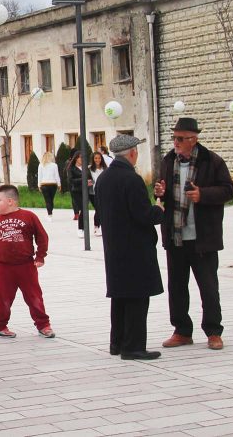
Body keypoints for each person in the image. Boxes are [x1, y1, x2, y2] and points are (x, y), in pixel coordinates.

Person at [154, 118, 233, 351]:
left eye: (181, 138)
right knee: (177, 288)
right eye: (174, 138)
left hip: (203, 238)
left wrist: (203, 195)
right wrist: (159, 192)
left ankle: (213, 331)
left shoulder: (212, 161)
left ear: (194, 139)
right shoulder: (168, 161)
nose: (176, 142)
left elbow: (229, 190)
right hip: (175, 236)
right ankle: (181, 331)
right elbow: (161, 193)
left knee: (208, 288)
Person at [96, 134, 163, 361]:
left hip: (114, 246)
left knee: (120, 297)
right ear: (133, 153)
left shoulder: (104, 178)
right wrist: (159, 208)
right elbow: (143, 215)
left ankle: (117, 343)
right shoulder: (131, 179)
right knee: (137, 297)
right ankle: (133, 347)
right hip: (135, 248)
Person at [0, 184, 53, 339]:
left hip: (26, 266)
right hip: (2, 267)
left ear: (10, 201)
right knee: (3, 299)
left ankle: (43, 325)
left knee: (34, 297)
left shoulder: (29, 216)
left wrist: (40, 256)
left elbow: (42, 237)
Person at [37, 150, 60, 220]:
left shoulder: (41, 165)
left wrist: (39, 185)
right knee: (51, 200)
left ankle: (49, 215)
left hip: (44, 185)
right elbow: (57, 175)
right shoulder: (54, 165)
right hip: (53, 184)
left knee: (47, 200)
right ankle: (50, 213)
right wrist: (59, 184)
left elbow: (39, 176)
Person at [89, 151, 107, 236]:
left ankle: (102, 226)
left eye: (99, 158)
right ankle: (96, 227)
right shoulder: (89, 169)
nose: (97, 160)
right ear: (93, 159)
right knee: (98, 209)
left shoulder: (105, 169)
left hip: (104, 192)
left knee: (103, 209)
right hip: (94, 193)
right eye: (95, 158)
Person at [68, 151, 88, 229]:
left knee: (85, 209)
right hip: (76, 191)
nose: (82, 159)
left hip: (86, 191)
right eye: (80, 157)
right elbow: (71, 180)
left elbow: (89, 177)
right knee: (83, 209)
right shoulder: (71, 168)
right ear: (76, 158)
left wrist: (90, 181)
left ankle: (88, 227)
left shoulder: (85, 167)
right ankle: (81, 228)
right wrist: (83, 180)